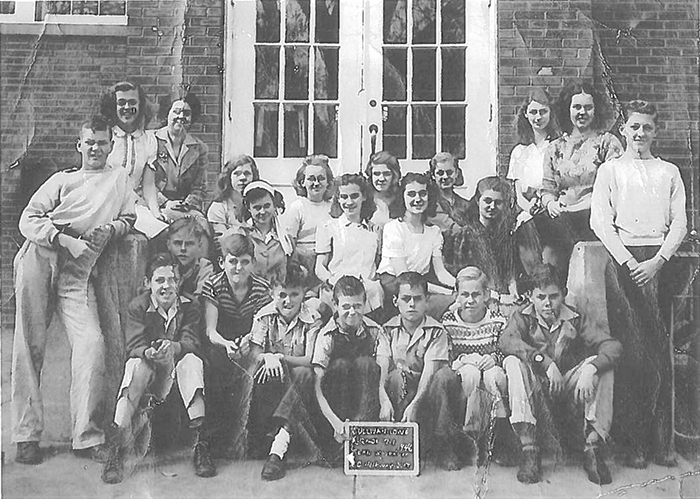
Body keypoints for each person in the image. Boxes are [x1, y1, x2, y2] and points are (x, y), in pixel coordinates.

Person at [12, 116, 136, 465]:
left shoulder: (118, 179)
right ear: (79, 146)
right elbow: (29, 219)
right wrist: (62, 238)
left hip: (80, 270)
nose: (95, 148)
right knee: (29, 343)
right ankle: (26, 434)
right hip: (42, 255)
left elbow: (130, 218)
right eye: (89, 143)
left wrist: (112, 228)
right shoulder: (62, 180)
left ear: (111, 146)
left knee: (92, 343)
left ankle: (86, 434)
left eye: (102, 142)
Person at [590, 100, 687, 468]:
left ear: (656, 131)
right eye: (634, 127)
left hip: (660, 261)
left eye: (647, 127)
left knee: (660, 351)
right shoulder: (611, 171)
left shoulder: (669, 172)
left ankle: (662, 442)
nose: (640, 134)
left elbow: (678, 223)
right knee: (631, 352)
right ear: (623, 131)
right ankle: (635, 444)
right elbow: (601, 222)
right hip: (624, 263)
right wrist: (631, 263)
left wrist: (658, 261)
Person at [499, 264, 622, 485]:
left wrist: (591, 369)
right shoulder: (522, 316)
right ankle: (529, 447)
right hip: (537, 389)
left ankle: (593, 447)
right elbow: (507, 341)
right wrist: (543, 361)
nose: (548, 303)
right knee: (512, 362)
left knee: (602, 365)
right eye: (541, 297)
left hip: (567, 389)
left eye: (554, 296)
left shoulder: (575, 317)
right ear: (530, 296)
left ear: (563, 294)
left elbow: (612, 347)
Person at [101, 253, 216, 484]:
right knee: (135, 366)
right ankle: (116, 448)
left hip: (176, 370)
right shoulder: (138, 306)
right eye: (159, 280)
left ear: (179, 281)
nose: (166, 286)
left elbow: (192, 340)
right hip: (151, 373)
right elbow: (133, 343)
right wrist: (148, 353)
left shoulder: (189, 305)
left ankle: (201, 445)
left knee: (193, 362)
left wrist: (174, 346)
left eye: (171, 279)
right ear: (148, 283)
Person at [260, 276, 381, 481]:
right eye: (346, 306)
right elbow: (317, 384)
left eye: (357, 306)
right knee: (334, 367)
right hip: (331, 407)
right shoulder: (327, 334)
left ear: (365, 304)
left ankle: (359, 442)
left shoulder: (375, 331)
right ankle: (279, 446)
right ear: (335, 305)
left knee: (367, 364)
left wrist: (383, 401)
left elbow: (384, 368)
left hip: (361, 404)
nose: (352, 312)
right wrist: (335, 422)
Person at [376, 272, 465, 471]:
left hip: (430, 394)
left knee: (445, 375)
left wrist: (415, 404)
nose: (411, 305)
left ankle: (444, 443)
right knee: (396, 376)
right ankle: (400, 441)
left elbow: (430, 372)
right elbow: (381, 368)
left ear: (427, 301)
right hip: (400, 392)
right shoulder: (387, 330)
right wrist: (383, 399)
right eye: (406, 299)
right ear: (395, 301)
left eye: (417, 299)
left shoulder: (436, 331)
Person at [540, 80, 623, 276]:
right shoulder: (555, 148)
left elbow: (616, 188)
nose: (582, 113)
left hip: (594, 217)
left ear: (597, 110)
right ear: (568, 110)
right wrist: (550, 203)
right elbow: (547, 188)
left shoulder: (607, 143)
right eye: (577, 107)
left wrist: (583, 205)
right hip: (563, 217)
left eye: (588, 107)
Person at [202, 233, 273, 457]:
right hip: (221, 341)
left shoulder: (261, 288)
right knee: (215, 364)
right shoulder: (213, 284)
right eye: (232, 261)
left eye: (244, 261)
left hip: (250, 340)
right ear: (222, 262)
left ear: (252, 262)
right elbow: (210, 330)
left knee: (258, 369)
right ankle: (212, 440)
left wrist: (249, 340)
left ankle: (252, 438)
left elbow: (262, 326)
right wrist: (227, 344)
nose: (238, 268)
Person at [246, 261, 324, 457]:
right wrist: (267, 357)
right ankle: (273, 433)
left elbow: (309, 358)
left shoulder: (312, 318)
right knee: (265, 372)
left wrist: (280, 357)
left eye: (294, 294)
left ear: (304, 292)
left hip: (299, 381)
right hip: (274, 379)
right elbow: (254, 355)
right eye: (282, 295)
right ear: (272, 293)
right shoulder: (264, 316)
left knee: (304, 373)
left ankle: (280, 433)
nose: (288, 301)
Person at [440, 267, 509, 461]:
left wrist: (494, 358)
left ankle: (498, 434)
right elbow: (446, 357)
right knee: (470, 372)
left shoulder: (497, 320)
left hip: (490, 376)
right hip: (464, 379)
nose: (470, 301)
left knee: (493, 375)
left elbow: (506, 350)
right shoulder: (448, 321)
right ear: (457, 296)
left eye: (476, 294)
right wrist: (463, 360)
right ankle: (470, 435)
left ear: (486, 295)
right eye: (465, 294)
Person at [376, 172, 456, 318]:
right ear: (402, 197)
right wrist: (448, 292)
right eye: (411, 194)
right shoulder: (394, 228)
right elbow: (403, 276)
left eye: (422, 193)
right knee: (449, 302)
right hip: (396, 286)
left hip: (421, 286)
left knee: (458, 301)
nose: (418, 199)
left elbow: (441, 272)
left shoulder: (434, 231)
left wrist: (460, 286)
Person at [315, 173, 383, 313]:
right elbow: (319, 266)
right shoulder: (328, 227)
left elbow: (376, 263)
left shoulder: (375, 229)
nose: (349, 202)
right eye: (344, 197)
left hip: (368, 295)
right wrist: (332, 281)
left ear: (363, 197)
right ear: (338, 199)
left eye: (354, 196)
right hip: (337, 292)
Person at [445, 176, 520, 296]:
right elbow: (461, 276)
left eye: (498, 202)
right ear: (478, 200)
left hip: (503, 295)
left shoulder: (505, 235)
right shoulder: (466, 234)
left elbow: (509, 272)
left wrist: (513, 292)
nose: (492, 206)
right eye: (488, 201)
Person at [100, 81, 159, 215]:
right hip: (105, 206)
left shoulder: (149, 140)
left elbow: (148, 186)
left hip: (135, 206)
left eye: (132, 102)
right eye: (121, 103)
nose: (127, 107)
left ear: (140, 106)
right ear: (113, 106)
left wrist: (156, 213)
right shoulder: (105, 137)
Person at [153, 93, 209, 218]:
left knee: (200, 226)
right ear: (167, 114)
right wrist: (165, 202)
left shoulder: (199, 148)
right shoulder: (152, 141)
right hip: (154, 204)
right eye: (176, 112)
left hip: (185, 207)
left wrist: (187, 204)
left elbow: (200, 187)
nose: (181, 116)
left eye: (187, 113)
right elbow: (143, 183)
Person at [236, 180, 294, 284]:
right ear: (249, 208)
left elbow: (293, 271)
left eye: (267, 206)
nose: (262, 212)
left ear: (274, 205)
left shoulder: (285, 239)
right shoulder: (241, 235)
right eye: (257, 208)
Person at [284, 155, 334, 274]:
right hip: (303, 263)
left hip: (328, 261)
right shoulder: (298, 207)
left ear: (328, 183)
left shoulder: (333, 207)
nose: (316, 183)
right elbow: (289, 242)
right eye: (311, 178)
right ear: (302, 182)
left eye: (321, 178)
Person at [207, 155, 260, 241]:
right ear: (228, 177)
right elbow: (221, 241)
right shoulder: (219, 207)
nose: (242, 178)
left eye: (247, 173)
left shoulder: (259, 205)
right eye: (237, 174)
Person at [166, 217, 214, 298]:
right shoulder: (163, 265)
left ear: (199, 246)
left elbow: (200, 300)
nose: (183, 249)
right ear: (168, 245)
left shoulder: (204, 267)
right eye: (177, 243)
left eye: (189, 244)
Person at [426, 152, 472, 231]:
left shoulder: (465, 205)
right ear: (433, 175)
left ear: (456, 173)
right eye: (440, 173)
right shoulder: (430, 203)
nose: (445, 177)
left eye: (449, 172)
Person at [365, 151, 403, 228]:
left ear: (394, 175)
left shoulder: (402, 200)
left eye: (386, 174)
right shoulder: (364, 199)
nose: (381, 179)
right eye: (376, 174)